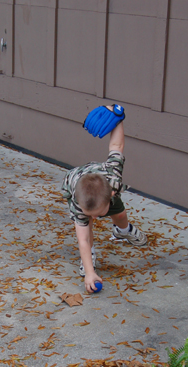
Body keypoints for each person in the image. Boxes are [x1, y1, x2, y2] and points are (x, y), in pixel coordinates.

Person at [61, 104, 148, 294]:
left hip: (101, 185)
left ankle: (123, 231)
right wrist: (90, 274)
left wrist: (118, 117)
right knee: (86, 230)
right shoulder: (78, 204)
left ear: (111, 196)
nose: (94, 217)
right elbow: (81, 239)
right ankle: (89, 259)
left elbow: (116, 145)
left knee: (121, 214)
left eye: (99, 213)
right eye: (90, 214)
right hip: (77, 181)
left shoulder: (113, 178)